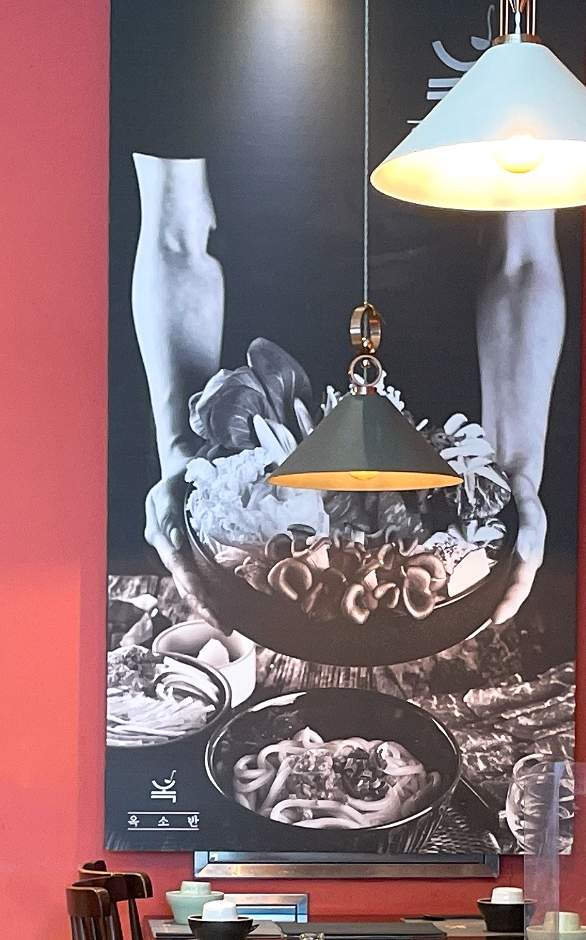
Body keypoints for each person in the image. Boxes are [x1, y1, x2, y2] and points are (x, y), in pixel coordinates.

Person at [129, 151, 560, 630]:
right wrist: (186, 458)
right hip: (265, 391)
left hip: (448, 380)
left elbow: (521, 258)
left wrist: (514, 470)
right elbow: (177, 243)